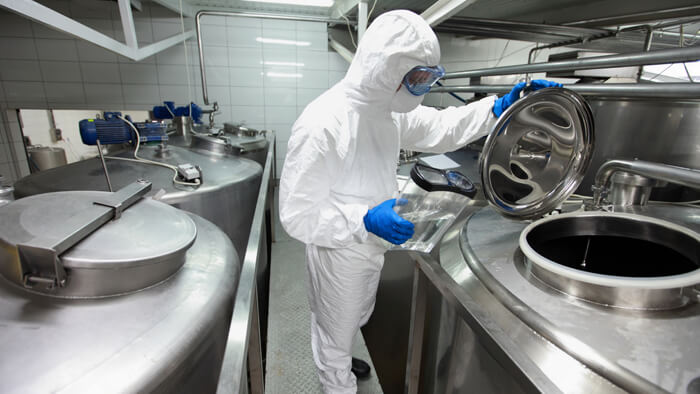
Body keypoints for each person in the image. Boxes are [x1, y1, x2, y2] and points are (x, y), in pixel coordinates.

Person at [279, 9, 561, 394]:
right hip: (338, 251)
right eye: (416, 78)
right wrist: (362, 218)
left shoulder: (387, 110)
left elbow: (439, 128)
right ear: (385, 70)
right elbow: (297, 213)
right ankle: (335, 378)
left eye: (428, 77)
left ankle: (342, 354)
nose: (421, 87)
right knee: (334, 327)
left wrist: (494, 109)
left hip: (370, 245)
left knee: (355, 315)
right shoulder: (324, 123)